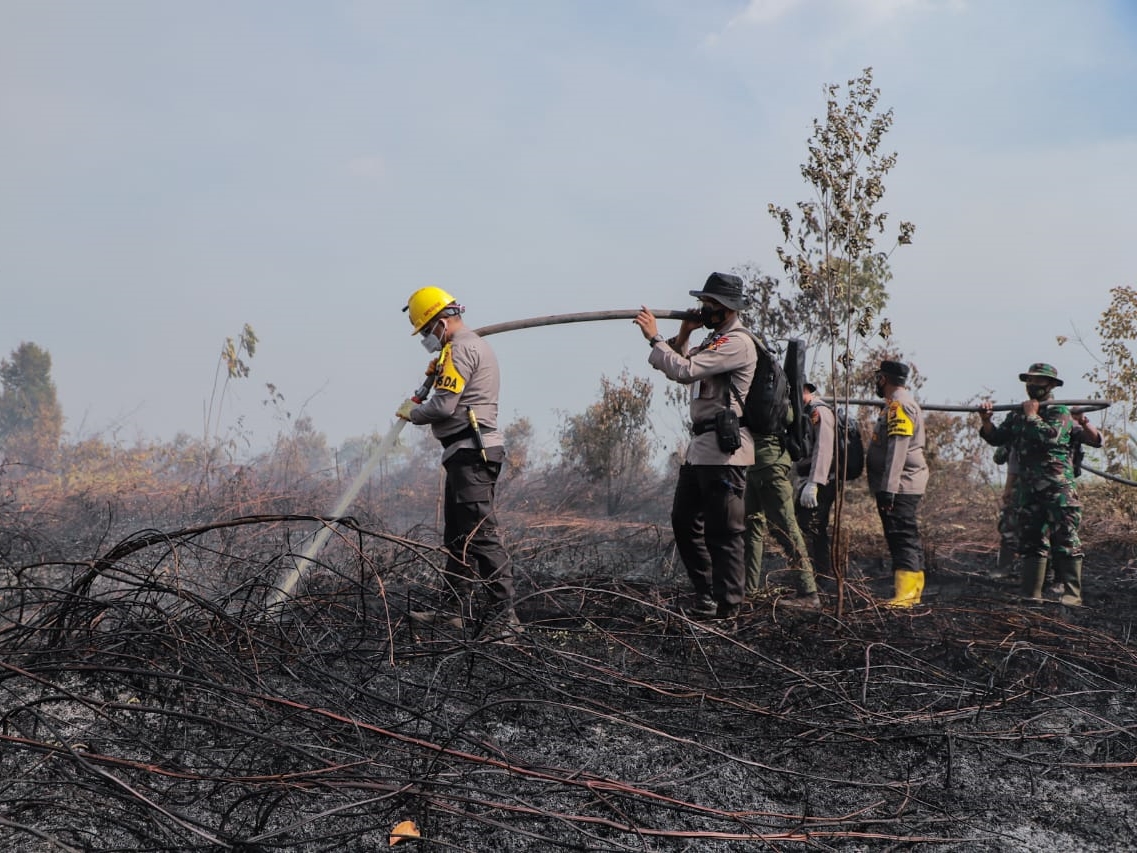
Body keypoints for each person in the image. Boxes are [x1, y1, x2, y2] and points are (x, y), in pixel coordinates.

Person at [396, 286, 519, 637]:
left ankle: (505, 618)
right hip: (463, 453)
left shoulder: (461, 348)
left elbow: (444, 407)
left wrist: (413, 413)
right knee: (458, 538)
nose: (426, 338)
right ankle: (453, 610)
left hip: (472, 454)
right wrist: (439, 374)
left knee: (481, 536)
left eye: (426, 330)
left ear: (440, 322)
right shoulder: (460, 348)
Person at [634, 272, 756, 621]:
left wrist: (654, 337)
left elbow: (685, 371)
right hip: (701, 448)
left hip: (725, 452)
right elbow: (679, 365)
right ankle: (707, 595)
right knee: (684, 521)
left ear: (727, 308)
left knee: (724, 532)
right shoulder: (714, 341)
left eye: (709, 304)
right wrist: (685, 333)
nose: (703, 309)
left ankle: (729, 610)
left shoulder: (737, 343)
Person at [978, 363, 1102, 605]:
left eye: (1039, 381)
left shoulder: (1059, 411)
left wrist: (1032, 416)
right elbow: (998, 438)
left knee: (1065, 538)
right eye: (1029, 380)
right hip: (1029, 489)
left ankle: (1071, 596)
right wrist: (986, 421)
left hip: (1057, 488)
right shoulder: (1018, 414)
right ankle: (1031, 595)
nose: (1032, 385)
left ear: (1051, 385)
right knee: (1032, 540)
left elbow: (1051, 437)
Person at [743, 380, 821, 611]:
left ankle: (808, 593)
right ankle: (749, 589)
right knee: (752, 527)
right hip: (754, 465)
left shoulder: (773, 389)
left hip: (770, 465)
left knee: (786, 528)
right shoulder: (758, 384)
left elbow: (787, 417)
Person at [866, 360, 929, 608]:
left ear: (883, 379)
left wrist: (889, 489)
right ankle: (913, 593)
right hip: (901, 483)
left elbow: (898, 449)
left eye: (878, 378)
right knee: (905, 535)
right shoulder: (895, 404)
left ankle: (905, 596)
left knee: (901, 535)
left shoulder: (899, 405)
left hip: (901, 485)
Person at [793, 381, 837, 583]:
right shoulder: (804, 411)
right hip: (808, 478)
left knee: (813, 528)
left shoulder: (818, 411)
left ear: (806, 391)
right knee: (808, 527)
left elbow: (824, 448)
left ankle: (820, 578)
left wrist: (814, 483)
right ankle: (814, 577)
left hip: (821, 481)